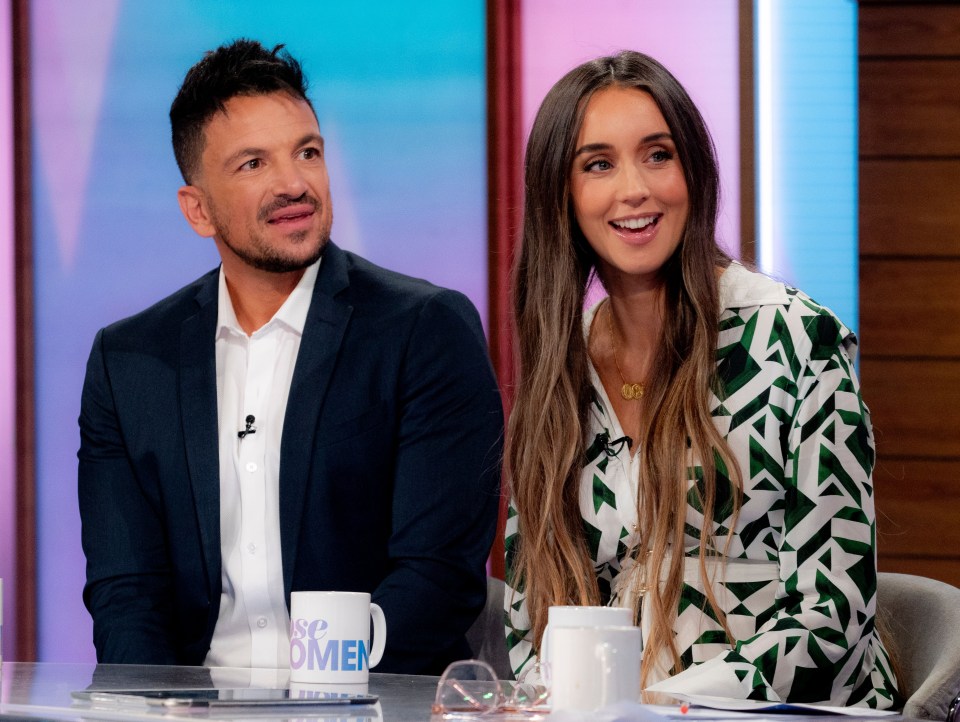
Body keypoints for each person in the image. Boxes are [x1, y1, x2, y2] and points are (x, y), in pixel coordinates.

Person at [78, 39, 503, 674]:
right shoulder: (129, 360)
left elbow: (436, 580)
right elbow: (126, 594)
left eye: (308, 152)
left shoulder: (422, 329)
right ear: (198, 209)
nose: (295, 183)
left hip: (367, 703)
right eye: (253, 164)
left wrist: (321, 696)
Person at [503, 50, 900, 707]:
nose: (635, 188)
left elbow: (833, 618)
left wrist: (662, 704)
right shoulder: (561, 365)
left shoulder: (798, 342)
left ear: (694, 170)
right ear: (562, 195)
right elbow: (529, 618)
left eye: (658, 155)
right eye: (598, 164)